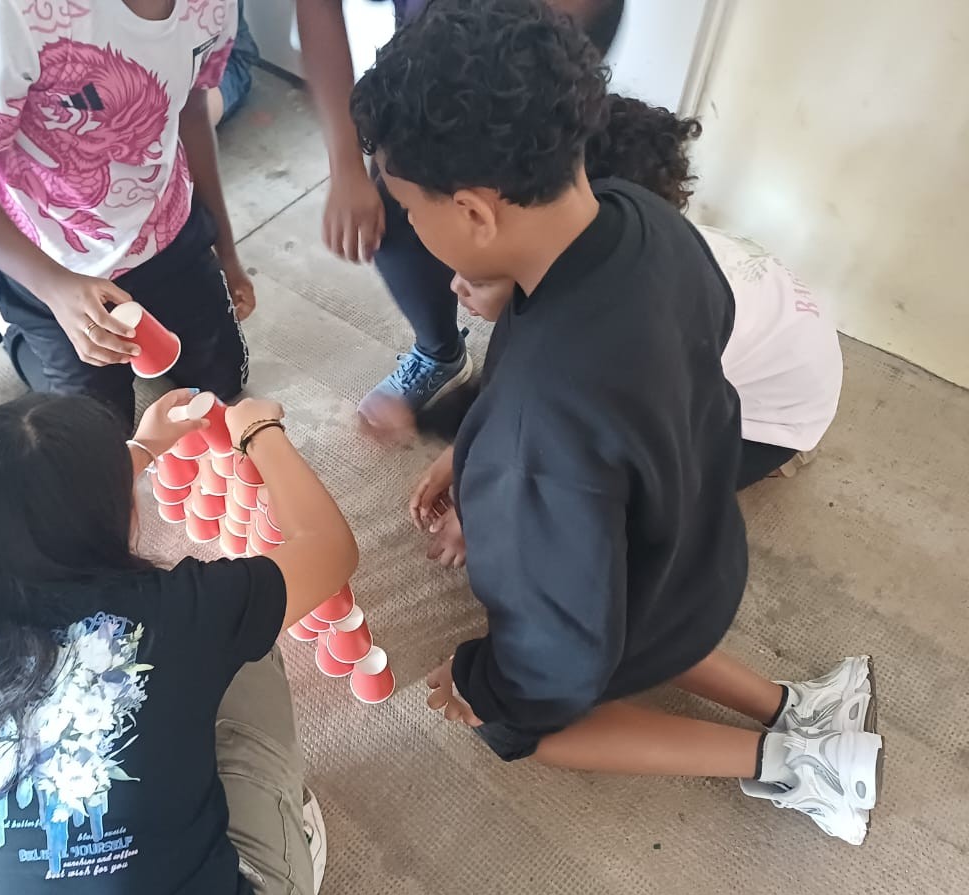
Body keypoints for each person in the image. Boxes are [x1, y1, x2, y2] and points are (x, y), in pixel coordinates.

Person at [351, 0, 882, 844]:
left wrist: (485, 684)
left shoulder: (541, 436)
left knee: (526, 729)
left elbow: (560, 648)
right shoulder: (645, 219)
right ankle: (794, 705)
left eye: (411, 208)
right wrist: (471, 443)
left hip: (633, 586)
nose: (410, 225)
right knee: (634, 626)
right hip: (693, 541)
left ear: (476, 212)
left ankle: (797, 766)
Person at [0, 389, 357, 895]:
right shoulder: (184, 611)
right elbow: (330, 549)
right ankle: (286, 847)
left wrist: (144, 446)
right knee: (252, 650)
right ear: (126, 510)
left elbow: (39, 519)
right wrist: (258, 431)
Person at [437, 95, 841, 532]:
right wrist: (465, 449)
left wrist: (482, 508)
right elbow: (514, 377)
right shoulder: (624, 261)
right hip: (773, 348)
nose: (457, 284)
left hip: (769, 423)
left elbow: (584, 445)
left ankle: (780, 458)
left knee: (613, 510)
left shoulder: (634, 336)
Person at [0, 0, 256, 429]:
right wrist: (53, 287)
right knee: (96, 438)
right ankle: (0, 311)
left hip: (168, 229)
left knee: (224, 384)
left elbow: (191, 107)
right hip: (53, 260)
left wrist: (227, 253)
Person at [294, 0, 625, 430]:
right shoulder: (632, 218)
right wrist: (346, 167)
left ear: (475, 212)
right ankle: (441, 354)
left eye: (410, 210)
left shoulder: (563, 375)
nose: (457, 282)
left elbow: (521, 436)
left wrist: (258, 433)